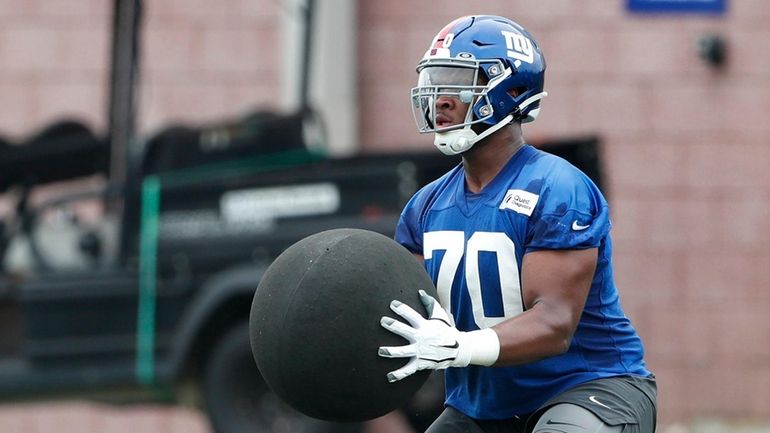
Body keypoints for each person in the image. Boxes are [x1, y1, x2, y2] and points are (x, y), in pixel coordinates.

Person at [377, 15, 657, 433]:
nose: (440, 98)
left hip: (587, 388)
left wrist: (460, 345)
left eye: (457, 80)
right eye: (434, 81)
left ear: (509, 91)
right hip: (484, 405)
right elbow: (408, 312)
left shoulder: (557, 187)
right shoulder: (425, 206)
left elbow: (554, 325)